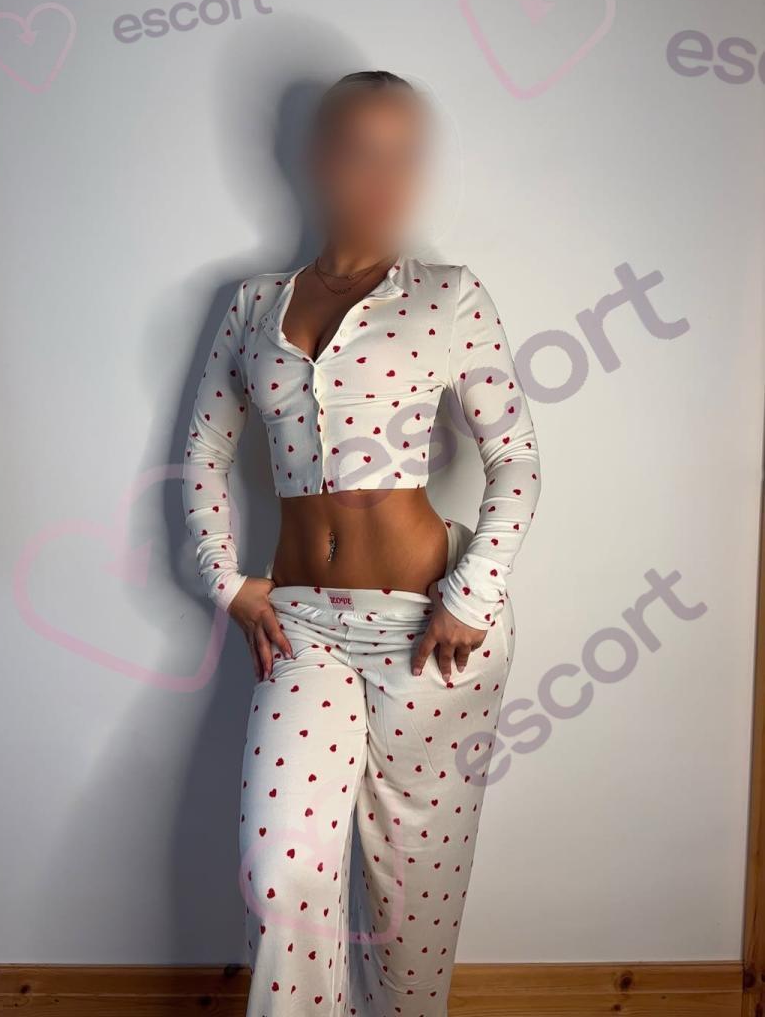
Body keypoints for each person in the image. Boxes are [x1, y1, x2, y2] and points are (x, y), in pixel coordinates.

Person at [182, 70, 541, 1016]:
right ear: (315, 159)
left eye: (403, 155)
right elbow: (203, 452)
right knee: (282, 879)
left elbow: (516, 460)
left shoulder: (450, 296)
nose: (383, 177)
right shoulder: (252, 306)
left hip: (433, 632)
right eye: (359, 152)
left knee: (413, 915)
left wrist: (473, 592)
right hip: (301, 631)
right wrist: (228, 582)